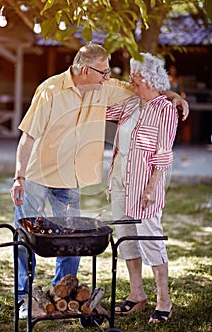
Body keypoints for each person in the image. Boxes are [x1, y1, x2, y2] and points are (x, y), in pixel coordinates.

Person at [10, 43, 188, 319]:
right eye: (104, 72)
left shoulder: (110, 89)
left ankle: (64, 290)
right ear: (84, 70)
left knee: (73, 239)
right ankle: (23, 297)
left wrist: (174, 95)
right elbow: (28, 136)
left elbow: (151, 94)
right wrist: (19, 176)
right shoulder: (50, 91)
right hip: (38, 176)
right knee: (26, 237)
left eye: (110, 73)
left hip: (74, 181)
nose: (110, 78)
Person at [107, 53, 178, 323]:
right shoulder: (130, 104)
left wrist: (150, 188)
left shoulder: (165, 110)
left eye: (135, 77)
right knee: (126, 238)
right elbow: (103, 108)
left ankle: (164, 301)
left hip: (144, 186)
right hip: (120, 180)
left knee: (151, 241)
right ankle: (136, 294)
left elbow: (163, 154)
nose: (130, 81)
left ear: (147, 79)